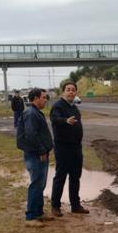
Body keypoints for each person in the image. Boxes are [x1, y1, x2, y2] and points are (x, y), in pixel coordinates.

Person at [50, 81, 89, 216]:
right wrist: (65, 121)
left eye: (73, 90)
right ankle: (55, 206)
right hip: (63, 147)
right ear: (63, 92)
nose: (71, 92)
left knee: (75, 177)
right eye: (68, 90)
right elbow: (55, 119)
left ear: (76, 92)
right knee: (60, 176)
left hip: (76, 148)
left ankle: (75, 205)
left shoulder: (74, 107)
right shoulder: (58, 106)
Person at [16, 88, 54, 227]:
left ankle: (38, 212)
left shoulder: (35, 112)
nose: (45, 100)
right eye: (44, 97)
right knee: (36, 183)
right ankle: (31, 216)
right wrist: (41, 150)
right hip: (35, 154)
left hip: (39, 153)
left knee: (40, 184)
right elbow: (31, 134)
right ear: (36, 98)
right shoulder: (31, 113)